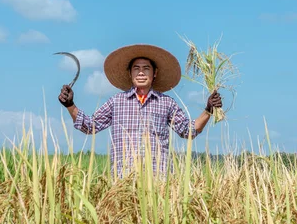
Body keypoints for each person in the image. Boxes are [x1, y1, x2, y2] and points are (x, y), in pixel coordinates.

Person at [58, 44, 222, 178]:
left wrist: (208, 110)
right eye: (136, 68)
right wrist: (70, 105)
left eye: (146, 68)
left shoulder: (166, 103)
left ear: (155, 73)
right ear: (130, 73)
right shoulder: (116, 102)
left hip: (158, 179)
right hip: (123, 179)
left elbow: (188, 131)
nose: (141, 72)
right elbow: (89, 126)